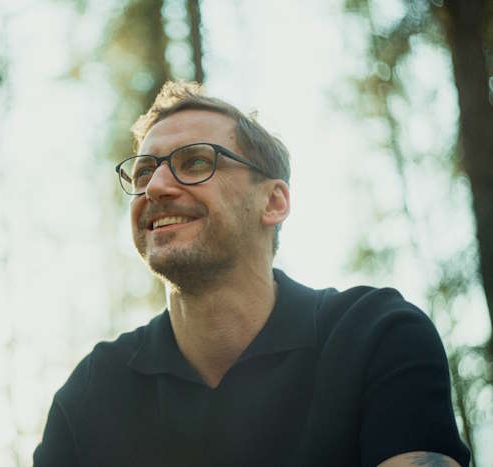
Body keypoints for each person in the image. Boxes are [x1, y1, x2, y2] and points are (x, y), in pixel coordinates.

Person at [32, 81, 471, 467]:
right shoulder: (92, 394)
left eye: (196, 162)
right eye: (144, 170)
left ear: (274, 202)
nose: (156, 187)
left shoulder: (377, 336)